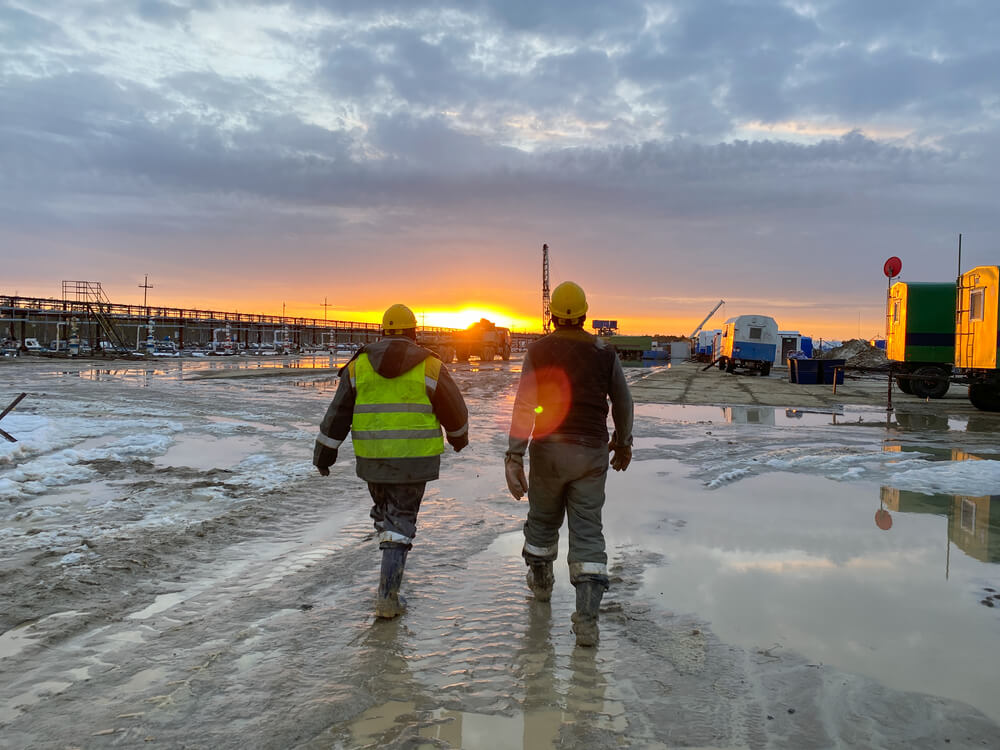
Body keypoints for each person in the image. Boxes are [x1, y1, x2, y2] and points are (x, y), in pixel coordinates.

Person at [313, 303, 469, 619]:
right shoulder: (429, 366)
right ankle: (388, 595)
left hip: (373, 461)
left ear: (382, 332)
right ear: (414, 333)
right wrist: (458, 439)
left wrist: (324, 455)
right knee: (401, 520)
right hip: (414, 463)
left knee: (389, 516)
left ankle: (391, 558)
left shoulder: (359, 367)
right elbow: (455, 411)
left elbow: (337, 414)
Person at [505, 281, 633, 647]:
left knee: (543, 522)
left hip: (548, 452)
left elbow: (525, 404)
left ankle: (542, 586)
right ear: (585, 315)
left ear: (553, 315)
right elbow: (623, 402)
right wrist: (623, 443)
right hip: (591, 454)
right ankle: (588, 621)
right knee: (588, 532)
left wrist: (514, 455)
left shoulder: (539, 350)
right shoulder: (604, 351)